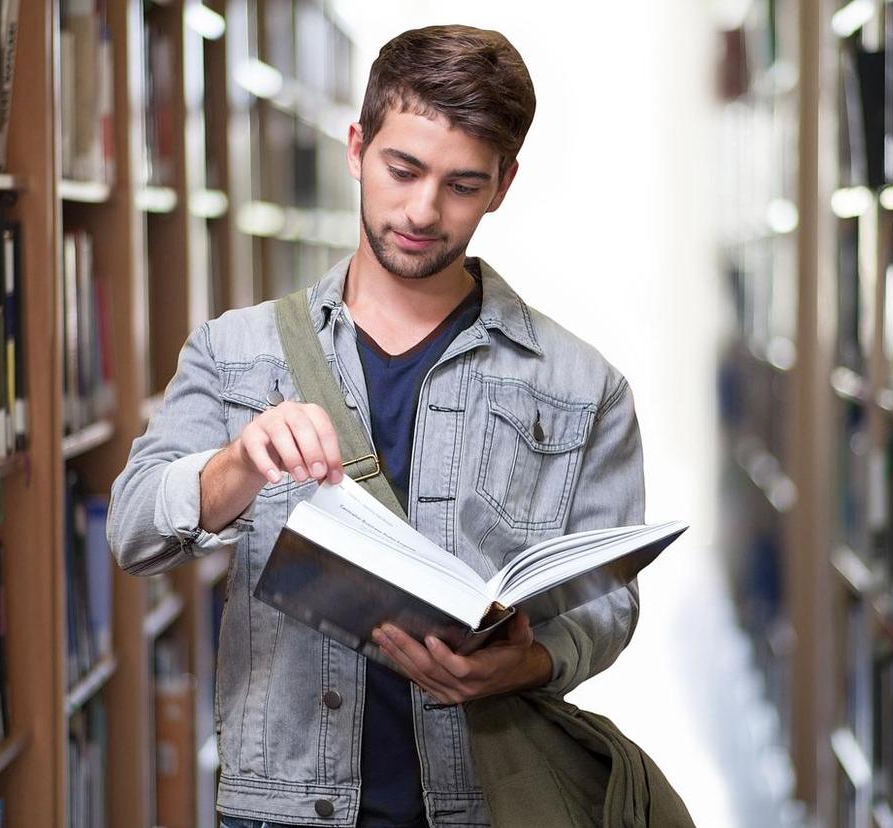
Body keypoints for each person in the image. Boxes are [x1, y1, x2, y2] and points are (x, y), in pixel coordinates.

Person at [108, 23, 645, 828]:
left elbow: (609, 604)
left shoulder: (582, 386)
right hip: (282, 808)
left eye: (463, 185)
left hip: (485, 804)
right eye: (403, 169)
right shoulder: (236, 351)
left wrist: (528, 663)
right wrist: (237, 465)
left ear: (504, 183)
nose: (423, 211)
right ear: (357, 147)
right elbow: (132, 530)